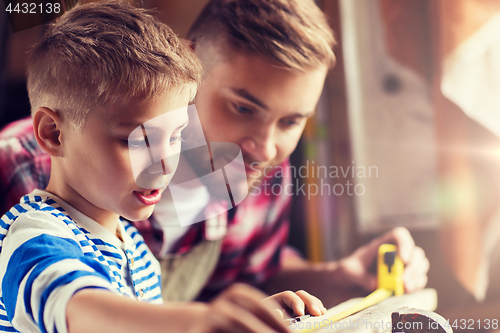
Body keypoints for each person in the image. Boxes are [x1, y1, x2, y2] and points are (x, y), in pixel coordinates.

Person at [0, 0, 429, 314]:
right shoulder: (21, 176)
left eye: (290, 122)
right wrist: (199, 324)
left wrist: (339, 276)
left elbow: (246, 278)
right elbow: (74, 301)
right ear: (188, 68)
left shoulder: (260, 176)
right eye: (243, 108)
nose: (264, 148)